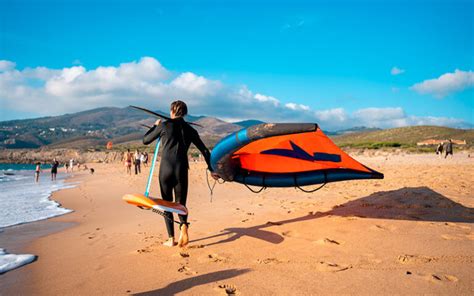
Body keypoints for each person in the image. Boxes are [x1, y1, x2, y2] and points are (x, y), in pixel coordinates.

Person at [143, 100, 219, 248]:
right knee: (180, 204)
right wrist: (211, 169)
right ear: (185, 113)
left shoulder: (164, 125)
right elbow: (204, 150)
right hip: (181, 169)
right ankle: (183, 225)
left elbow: (145, 140)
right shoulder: (191, 130)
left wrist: (155, 126)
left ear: (172, 111)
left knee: (166, 204)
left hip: (166, 169)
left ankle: (171, 238)